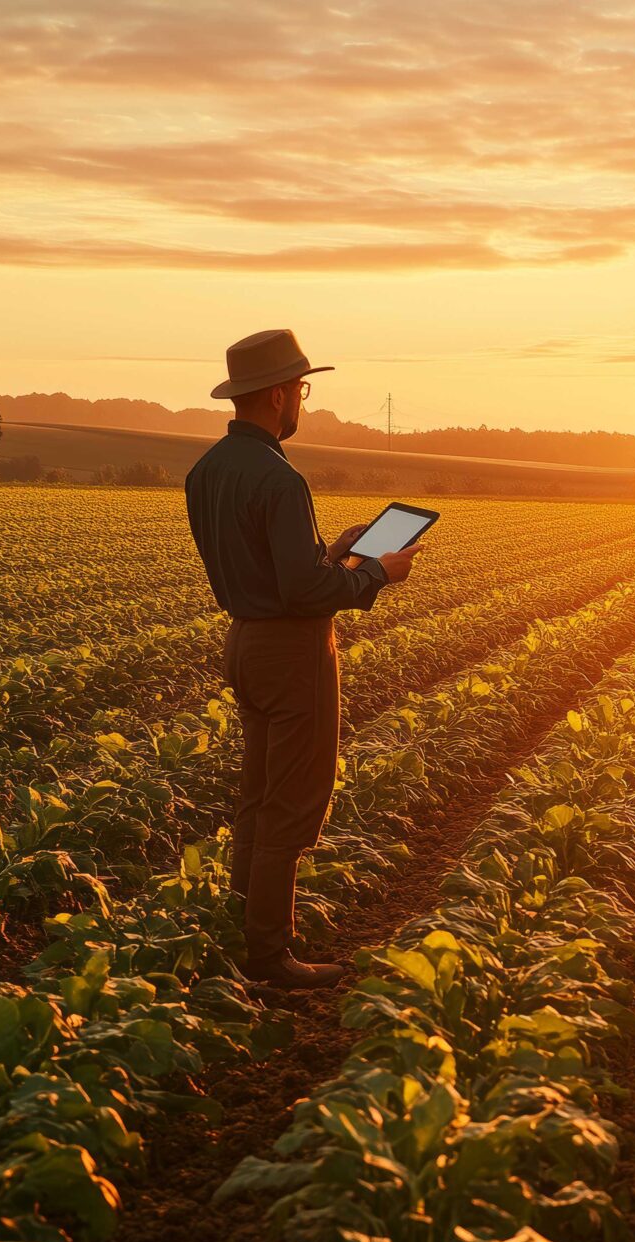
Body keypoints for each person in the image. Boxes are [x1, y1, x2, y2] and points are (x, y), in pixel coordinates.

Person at [183, 329, 421, 989]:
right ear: (281, 393)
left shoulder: (207, 471)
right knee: (290, 805)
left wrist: (334, 550)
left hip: (244, 643)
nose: (302, 404)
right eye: (302, 391)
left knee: (256, 799)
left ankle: (240, 933)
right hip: (292, 650)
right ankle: (269, 954)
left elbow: (271, 567)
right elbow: (302, 591)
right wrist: (377, 573)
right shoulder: (279, 477)